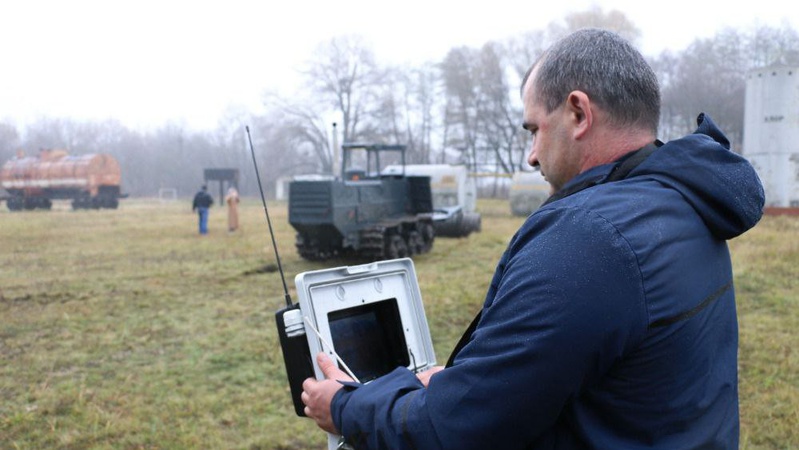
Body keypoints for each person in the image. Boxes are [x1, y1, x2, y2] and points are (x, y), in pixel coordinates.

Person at [301, 28, 765, 449]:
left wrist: (343, 407)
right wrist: (479, 379)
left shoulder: (589, 239)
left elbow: (456, 429)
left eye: (533, 130)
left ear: (579, 113)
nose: (530, 156)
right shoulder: (682, 202)